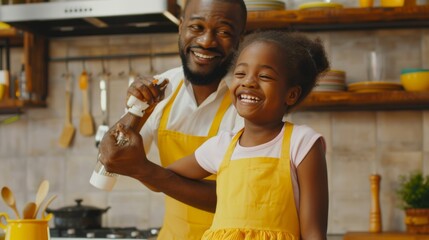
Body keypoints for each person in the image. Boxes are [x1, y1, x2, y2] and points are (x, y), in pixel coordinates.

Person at [100, 30, 330, 239]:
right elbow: (160, 179)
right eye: (240, 73)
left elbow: (313, 233)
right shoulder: (222, 145)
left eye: (265, 77)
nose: (248, 82)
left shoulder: (302, 143)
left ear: (291, 95)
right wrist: (137, 161)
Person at [100, 0, 247, 239]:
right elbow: (112, 159)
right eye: (197, 27)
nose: (207, 41)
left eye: (223, 31)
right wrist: (135, 113)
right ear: (181, 28)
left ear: (240, 38)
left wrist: (145, 171)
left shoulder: (248, 99)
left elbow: (237, 197)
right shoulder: (162, 89)